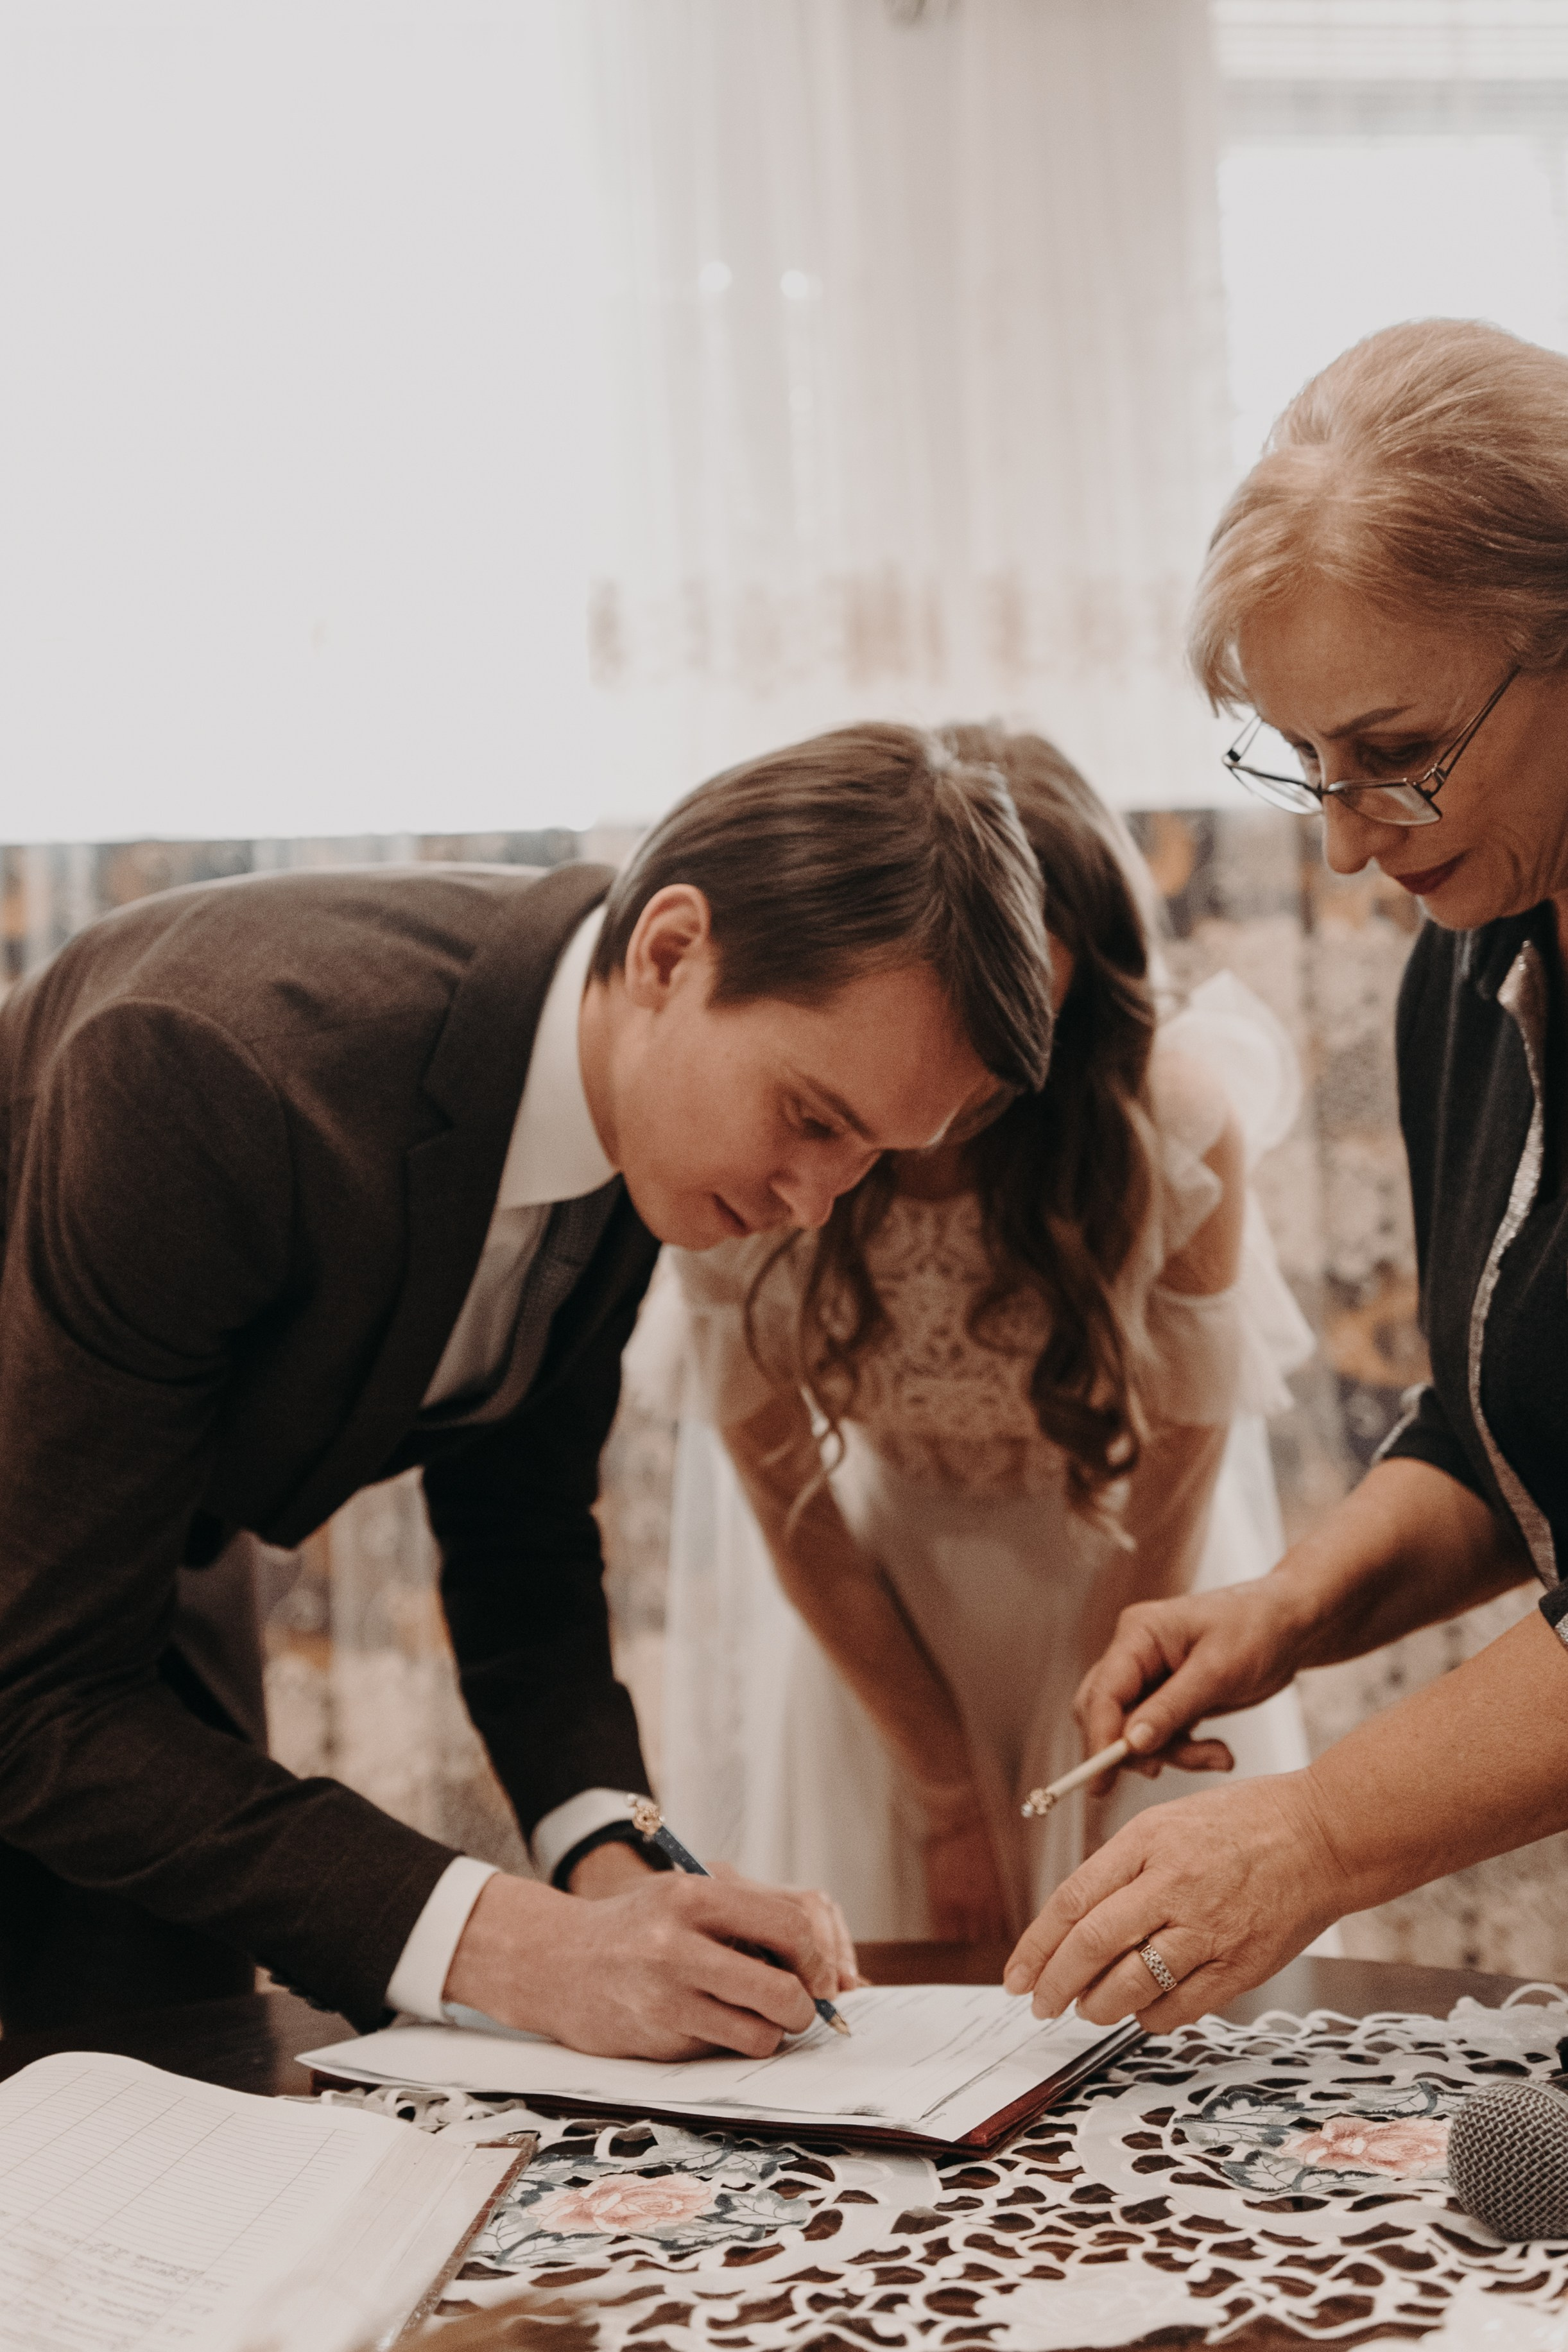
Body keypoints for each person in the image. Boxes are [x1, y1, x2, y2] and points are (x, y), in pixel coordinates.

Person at [0, 723, 1055, 2054]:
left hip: (136, 1581)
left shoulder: (637, 1092)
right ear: (672, 951)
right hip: (50, 1610)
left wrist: (615, 1864)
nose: (811, 1206)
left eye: (868, 1158)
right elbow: (41, 1696)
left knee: (170, 2057)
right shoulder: (205, 1071)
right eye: (811, 1117)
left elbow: (522, 1533)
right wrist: (516, 1946)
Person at [1006, 317, 1568, 2034]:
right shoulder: (1466, 967)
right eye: (1304, 759)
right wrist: (1287, 1606)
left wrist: (1315, 1832)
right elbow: (1508, 1429)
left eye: (1396, 753)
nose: (1342, 839)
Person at [657, 725, 1314, 1943]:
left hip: (1125, 1588)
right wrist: (948, 1790)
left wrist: (1101, 1739)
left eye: (1019, 1037)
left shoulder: (1167, 1127)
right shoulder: (754, 1147)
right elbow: (786, 1498)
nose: (957, 1095)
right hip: (878, 1621)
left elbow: (1181, 1466)